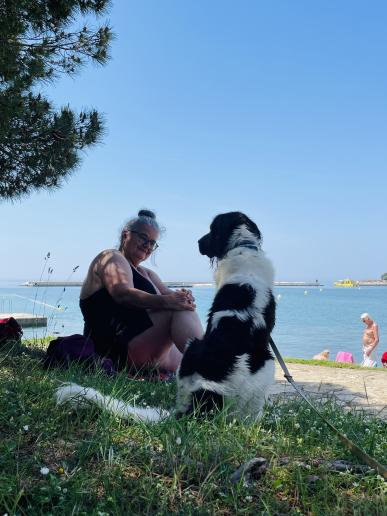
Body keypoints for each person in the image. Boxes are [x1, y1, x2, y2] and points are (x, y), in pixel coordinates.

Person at [80, 209, 204, 373]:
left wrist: (183, 297)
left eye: (152, 243)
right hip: (115, 348)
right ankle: (209, 370)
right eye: (143, 238)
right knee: (178, 312)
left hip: (143, 347)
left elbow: (168, 295)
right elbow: (122, 293)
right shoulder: (111, 257)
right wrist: (171, 302)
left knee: (184, 315)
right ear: (126, 235)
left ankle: (211, 368)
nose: (147, 245)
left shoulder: (147, 273)